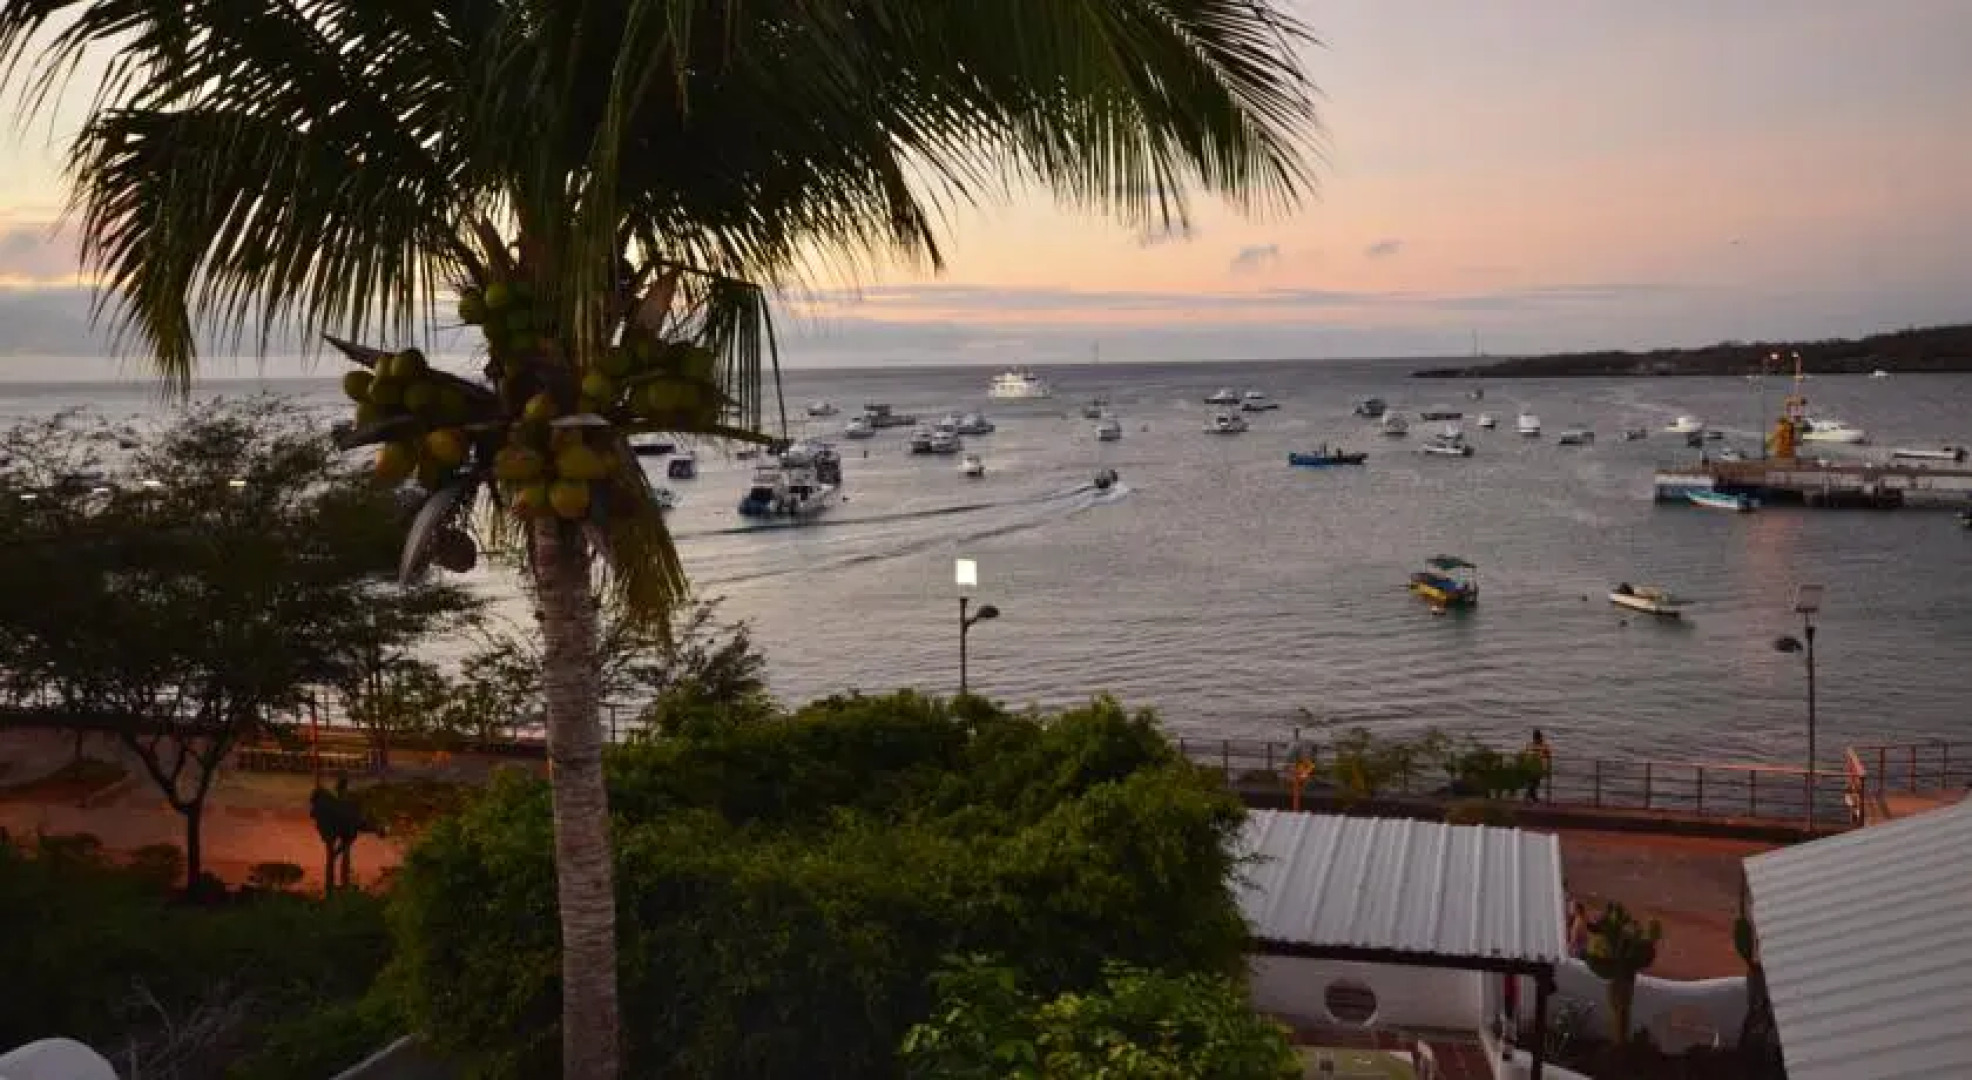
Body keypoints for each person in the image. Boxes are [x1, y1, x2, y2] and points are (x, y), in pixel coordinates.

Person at [1523, 729, 1552, 802]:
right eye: (1536, 738)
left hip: (1539, 768)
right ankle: (1531, 799)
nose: (1537, 739)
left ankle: (1531, 798)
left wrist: (1548, 768)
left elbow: (1549, 757)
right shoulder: (1530, 745)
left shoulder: (1544, 746)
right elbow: (1525, 755)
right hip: (1530, 768)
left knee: (1534, 784)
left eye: (1538, 738)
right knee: (1533, 784)